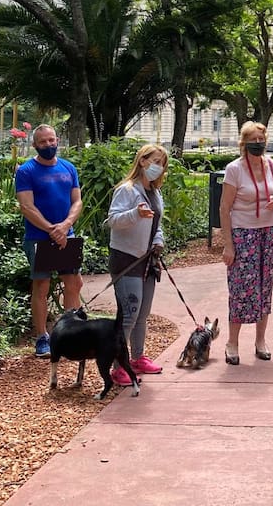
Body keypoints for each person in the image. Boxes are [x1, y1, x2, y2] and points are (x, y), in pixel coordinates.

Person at [218, 121, 273, 365]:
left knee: (265, 287)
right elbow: (224, 208)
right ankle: (232, 342)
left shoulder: (271, 165)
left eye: (261, 139)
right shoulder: (234, 169)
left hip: (269, 232)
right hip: (243, 234)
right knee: (241, 289)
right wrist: (228, 244)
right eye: (253, 140)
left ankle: (260, 340)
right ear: (244, 143)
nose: (258, 143)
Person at [104, 143, 170, 386]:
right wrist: (135, 214)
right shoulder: (127, 190)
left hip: (148, 260)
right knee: (129, 316)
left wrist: (158, 240)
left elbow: (157, 224)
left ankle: (138, 357)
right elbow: (113, 220)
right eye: (155, 161)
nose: (159, 167)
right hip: (126, 259)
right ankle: (118, 366)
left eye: (162, 164)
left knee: (142, 314)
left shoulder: (155, 191)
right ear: (142, 161)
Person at [15, 124, 83, 358]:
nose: (48, 145)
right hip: (38, 238)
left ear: (57, 140)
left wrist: (65, 226)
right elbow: (26, 206)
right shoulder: (26, 171)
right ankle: (42, 337)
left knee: (73, 283)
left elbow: (77, 201)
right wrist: (51, 229)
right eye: (43, 142)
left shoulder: (68, 168)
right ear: (35, 145)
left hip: (66, 235)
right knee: (41, 286)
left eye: (51, 140)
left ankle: (70, 334)